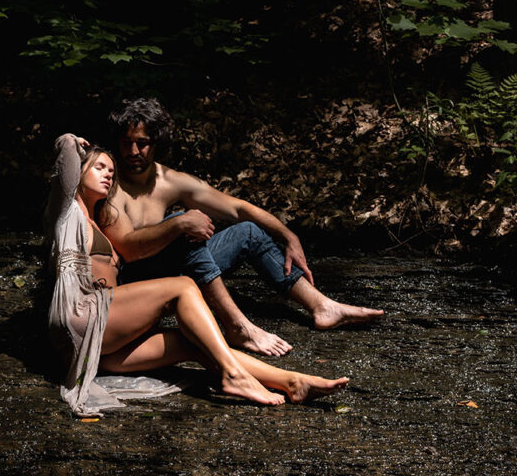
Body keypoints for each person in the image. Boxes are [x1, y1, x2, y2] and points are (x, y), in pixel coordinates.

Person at [43, 132, 349, 417]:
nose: (109, 174)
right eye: (98, 167)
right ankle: (234, 375)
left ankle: (292, 382)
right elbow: (64, 161)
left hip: (100, 349)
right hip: (82, 319)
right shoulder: (65, 213)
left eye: (111, 169)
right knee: (183, 287)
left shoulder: (102, 223)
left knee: (195, 342)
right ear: (79, 172)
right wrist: (72, 142)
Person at [100, 98, 384, 357]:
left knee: (248, 232)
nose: (134, 151)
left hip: (174, 268)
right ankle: (237, 326)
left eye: (143, 142)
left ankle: (321, 306)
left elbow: (238, 208)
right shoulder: (109, 181)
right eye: (126, 143)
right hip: (134, 283)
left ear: (157, 142)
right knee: (187, 228)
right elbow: (127, 247)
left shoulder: (169, 179)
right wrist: (178, 223)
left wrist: (288, 235)